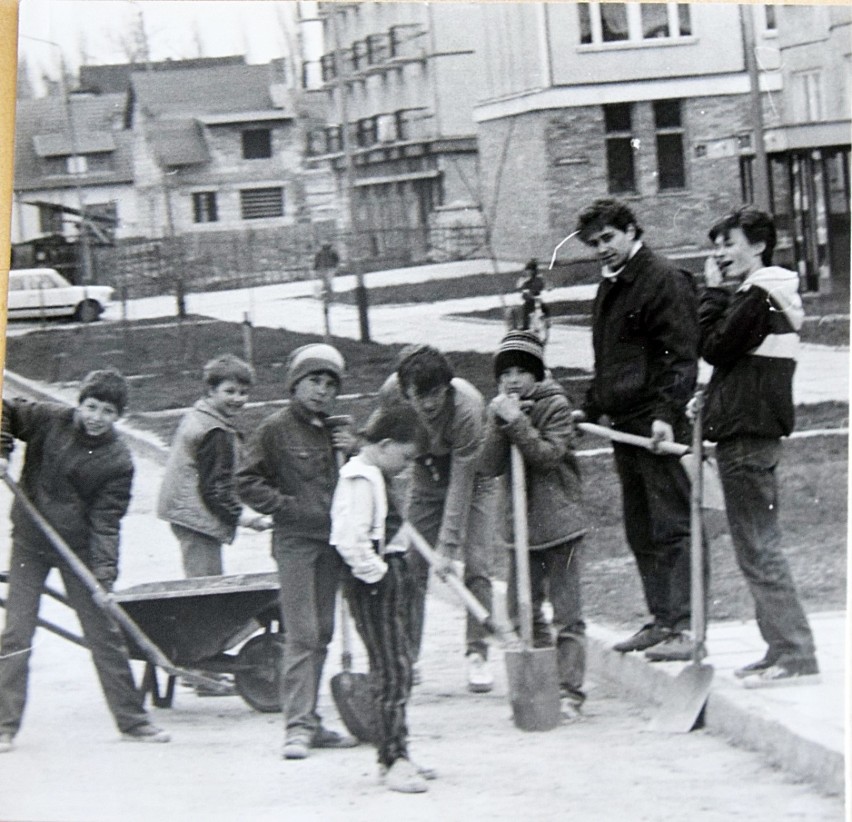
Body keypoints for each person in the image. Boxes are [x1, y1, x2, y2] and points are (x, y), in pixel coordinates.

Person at [0, 369, 170, 752]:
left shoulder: (118, 461)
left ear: (118, 417)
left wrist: (104, 579)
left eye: (107, 411)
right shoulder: (48, 418)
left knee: (103, 632)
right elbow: (5, 410)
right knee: (16, 632)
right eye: (91, 407)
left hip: (76, 549)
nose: (96, 417)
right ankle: (3, 726)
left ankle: (133, 721)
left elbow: (106, 525)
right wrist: (3, 450)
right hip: (29, 542)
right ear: (79, 403)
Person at [573, 198, 700, 662]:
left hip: (657, 426)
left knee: (672, 527)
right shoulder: (611, 286)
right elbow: (609, 359)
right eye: (594, 244)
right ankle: (661, 620)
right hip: (625, 429)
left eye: (608, 238)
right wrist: (589, 408)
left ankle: (686, 626)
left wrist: (667, 413)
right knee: (641, 529)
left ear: (630, 231)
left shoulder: (663, 279)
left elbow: (680, 356)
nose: (601, 249)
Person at [699, 206, 818, 685]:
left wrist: (710, 293)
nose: (721, 254)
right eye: (718, 245)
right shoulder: (762, 297)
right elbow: (740, 368)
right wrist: (708, 402)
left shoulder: (758, 297)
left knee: (759, 548)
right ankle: (780, 648)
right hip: (750, 432)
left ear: (758, 245)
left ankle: (795, 653)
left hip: (747, 440)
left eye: (729, 243)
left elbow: (711, 346)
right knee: (755, 547)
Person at [236, 343, 359, 759]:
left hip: (332, 543)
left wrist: (354, 449)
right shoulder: (274, 429)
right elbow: (247, 481)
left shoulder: (337, 431)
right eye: (314, 381)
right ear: (295, 384)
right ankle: (297, 727)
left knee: (322, 632)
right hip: (294, 544)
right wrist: (287, 507)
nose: (322, 391)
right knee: (303, 633)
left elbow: (358, 480)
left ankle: (311, 720)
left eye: (330, 384)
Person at [479, 330, 588, 709]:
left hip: (558, 525)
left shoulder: (555, 405)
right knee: (518, 610)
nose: (512, 379)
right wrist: (500, 423)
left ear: (537, 374)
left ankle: (570, 689)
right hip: (520, 528)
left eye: (522, 371)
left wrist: (518, 424)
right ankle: (544, 679)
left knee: (567, 613)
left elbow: (547, 456)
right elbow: (488, 465)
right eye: (505, 372)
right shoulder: (499, 411)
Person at [379, 346, 497, 693]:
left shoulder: (467, 408)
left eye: (436, 394)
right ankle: (407, 657)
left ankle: (477, 654)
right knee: (413, 566)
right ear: (406, 393)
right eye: (420, 396)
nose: (429, 404)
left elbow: (462, 482)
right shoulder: (392, 394)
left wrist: (447, 547)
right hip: (425, 476)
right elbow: (379, 439)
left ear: (447, 387)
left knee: (477, 565)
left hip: (475, 479)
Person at [330, 405, 434, 793]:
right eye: (406, 458)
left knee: (400, 666)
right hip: (373, 585)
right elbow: (349, 540)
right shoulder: (360, 478)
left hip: (388, 577)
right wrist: (380, 576)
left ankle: (400, 750)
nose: (407, 467)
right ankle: (392, 760)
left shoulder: (374, 473)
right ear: (386, 444)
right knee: (392, 670)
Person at [158, 354, 271, 579]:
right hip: (196, 517)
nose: (237, 399)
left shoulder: (201, 415)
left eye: (243, 392)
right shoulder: (215, 432)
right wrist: (244, 518)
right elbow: (216, 489)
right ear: (211, 390)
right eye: (229, 391)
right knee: (206, 585)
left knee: (204, 578)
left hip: (185, 512)